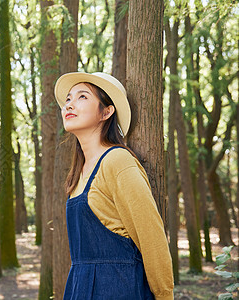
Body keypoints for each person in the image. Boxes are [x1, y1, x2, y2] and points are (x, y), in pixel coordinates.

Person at [54, 72, 174, 300]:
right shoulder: (78, 173)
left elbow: (152, 239)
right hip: (80, 287)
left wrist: (165, 296)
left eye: (82, 97)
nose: (69, 104)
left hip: (119, 288)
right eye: (68, 99)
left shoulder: (118, 161)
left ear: (106, 111)